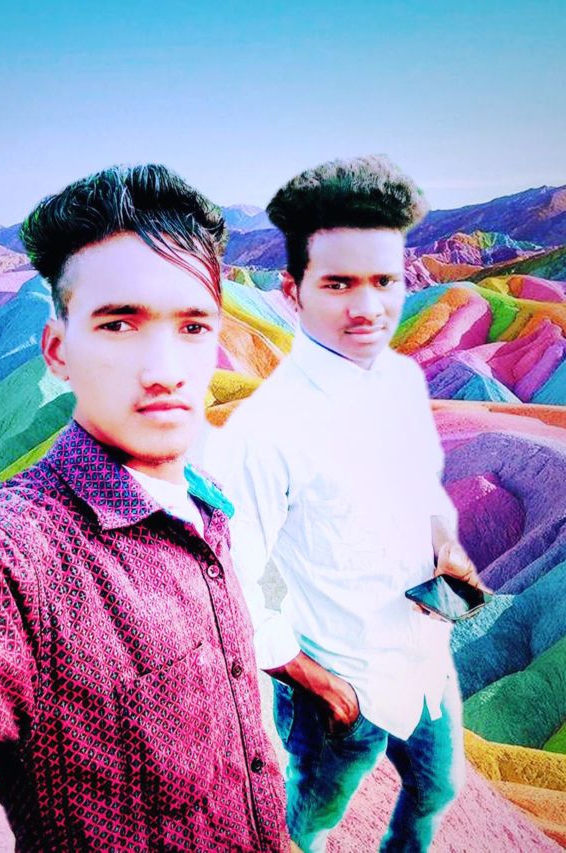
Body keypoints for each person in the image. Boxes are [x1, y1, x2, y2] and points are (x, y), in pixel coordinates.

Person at [0, 164, 289, 851]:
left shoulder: (205, 504)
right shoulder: (12, 557)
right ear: (58, 351)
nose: (164, 368)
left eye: (192, 326)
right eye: (120, 324)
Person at [205, 156, 484, 852]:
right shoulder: (267, 431)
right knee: (309, 821)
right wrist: (323, 684)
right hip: (339, 685)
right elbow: (231, 584)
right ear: (292, 291)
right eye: (338, 283)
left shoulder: (398, 381)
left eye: (384, 281)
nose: (368, 307)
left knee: (434, 792)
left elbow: (421, 489)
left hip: (420, 665)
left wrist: (444, 547)